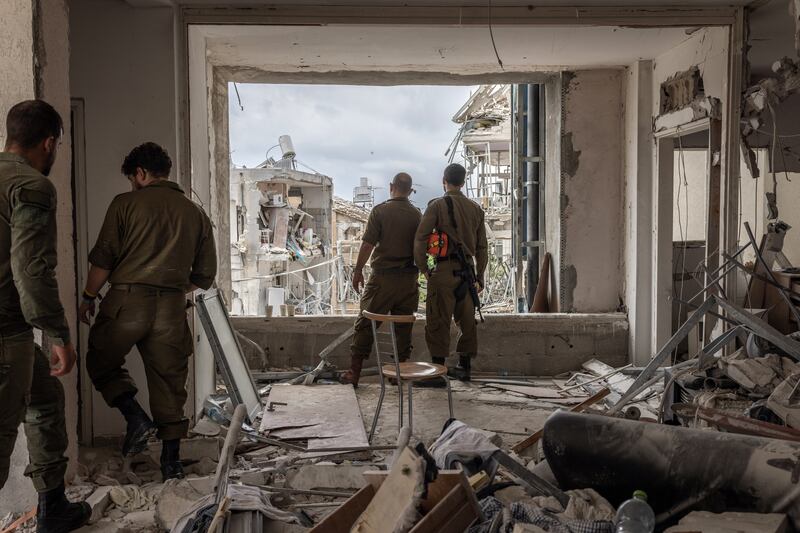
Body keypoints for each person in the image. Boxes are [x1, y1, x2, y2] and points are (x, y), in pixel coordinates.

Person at [79, 142, 216, 480]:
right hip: (171, 308)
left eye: (131, 179)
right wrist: (170, 290)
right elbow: (204, 276)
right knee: (170, 382)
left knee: (101, 360)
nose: (131, 186)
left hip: (126, 302)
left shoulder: (124, 204)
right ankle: (171, 463)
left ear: (140, 173)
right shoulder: (196, 214)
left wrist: (88, 296)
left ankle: (135, 418)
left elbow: (104, 260)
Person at [0, 100, 91, 532]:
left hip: (12, 334)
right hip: (6, 335)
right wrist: (59, 335)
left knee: (45, 399)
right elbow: (31, 270)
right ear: (50, 143)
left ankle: (52, 506)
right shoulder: (31, 186)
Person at [340, 173, 421, 387]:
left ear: (391, 187)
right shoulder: (417, 215)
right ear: (410, 191)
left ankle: (354, 373)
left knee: (366, 323)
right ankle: (398, 373)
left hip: (383, 279)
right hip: (408, 280)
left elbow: (368, 244)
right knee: (403, 327)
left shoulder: (380, 211)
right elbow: (421, 249)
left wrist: (358, 270)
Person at [414, 163, 487, 382]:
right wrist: (480, 276)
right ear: (463, 182)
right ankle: (464, 367)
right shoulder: (476, 209)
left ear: (443, 181)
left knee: (438, 319)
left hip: (444, 270)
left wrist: (424, 268)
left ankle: (437, 372)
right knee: (467, 320)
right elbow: (482, 248)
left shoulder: (437, 206)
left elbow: (421, 238)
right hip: (468, 273)